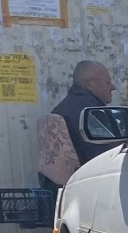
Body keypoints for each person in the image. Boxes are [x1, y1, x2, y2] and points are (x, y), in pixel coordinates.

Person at [41, 60, 118, 191]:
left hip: (61, 192)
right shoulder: (94, 113)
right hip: (93, 189)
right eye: (107, 82)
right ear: (91, 83)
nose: (113, 87)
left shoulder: (61, 109)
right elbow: (110, 158)